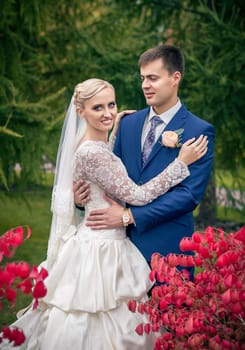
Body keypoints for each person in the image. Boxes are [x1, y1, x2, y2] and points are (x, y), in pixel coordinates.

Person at [9, 78, 208, 350]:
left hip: (103, 237)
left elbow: (102, 177)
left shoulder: (96, 145)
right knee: (96, 317)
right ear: (81, 112)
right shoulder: (92, 153)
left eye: (111, 105)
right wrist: (180, 163)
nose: (107, 113)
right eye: (97, 108)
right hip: (102, 247)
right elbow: (137, 195)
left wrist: (113, 133)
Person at [74, 44, 215, 274]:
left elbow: (188, 196)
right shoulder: (127, 123)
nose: (145, 85)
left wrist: (129, 217)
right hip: (118, 250)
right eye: (142, 78)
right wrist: (81, 199)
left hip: (167, 249)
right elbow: (109, 177)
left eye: (153, 78)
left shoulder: (198, 130)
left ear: (175, 77)